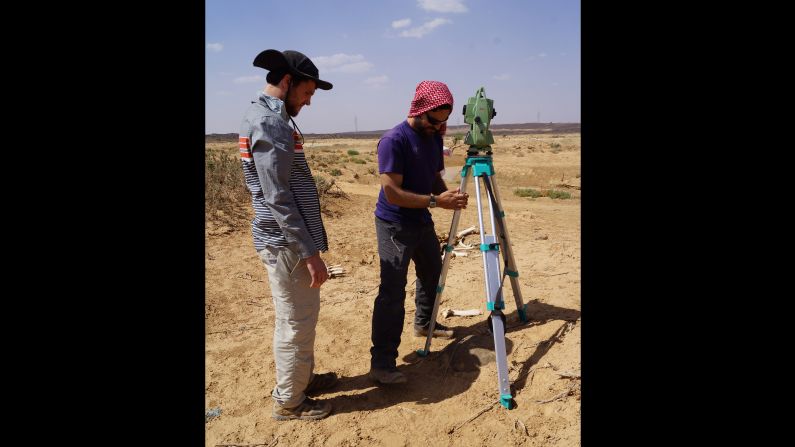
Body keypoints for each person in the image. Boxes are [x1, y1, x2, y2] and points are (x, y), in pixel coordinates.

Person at [238, 49, 338, 420]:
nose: (309, 101)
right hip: (287, 245)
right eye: (307, 92)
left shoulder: (268, 116)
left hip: (285, 242)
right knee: (296, 321)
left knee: (295, 317)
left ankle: (299, 381)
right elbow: (277, 195)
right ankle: (290, 402)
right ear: (287, 82)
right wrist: (309, 252)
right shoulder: (270, 122)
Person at [369, 80, 469, 385]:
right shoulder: (393, 141)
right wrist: (438, 201)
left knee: (432, 273)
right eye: (434, 120)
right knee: (392, 293)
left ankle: (425, 324)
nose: (439, 126)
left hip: (421, 220)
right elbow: (393, 193)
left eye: (444, 121)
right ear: (419, 110)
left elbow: (434, 176)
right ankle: (383, 362)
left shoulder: (432, 137)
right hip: (395, 225)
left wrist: (445, 194)